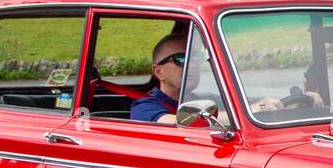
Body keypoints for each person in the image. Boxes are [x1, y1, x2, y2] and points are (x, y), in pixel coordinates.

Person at [130, 31, 323, 124]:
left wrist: (300, 103)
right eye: (182, 59)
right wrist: (246, 113)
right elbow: (178, 123)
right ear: (158, 72)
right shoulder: (144, 108)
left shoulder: (206, 99)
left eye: (197, 57)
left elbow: (253, 103)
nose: (193, 65)